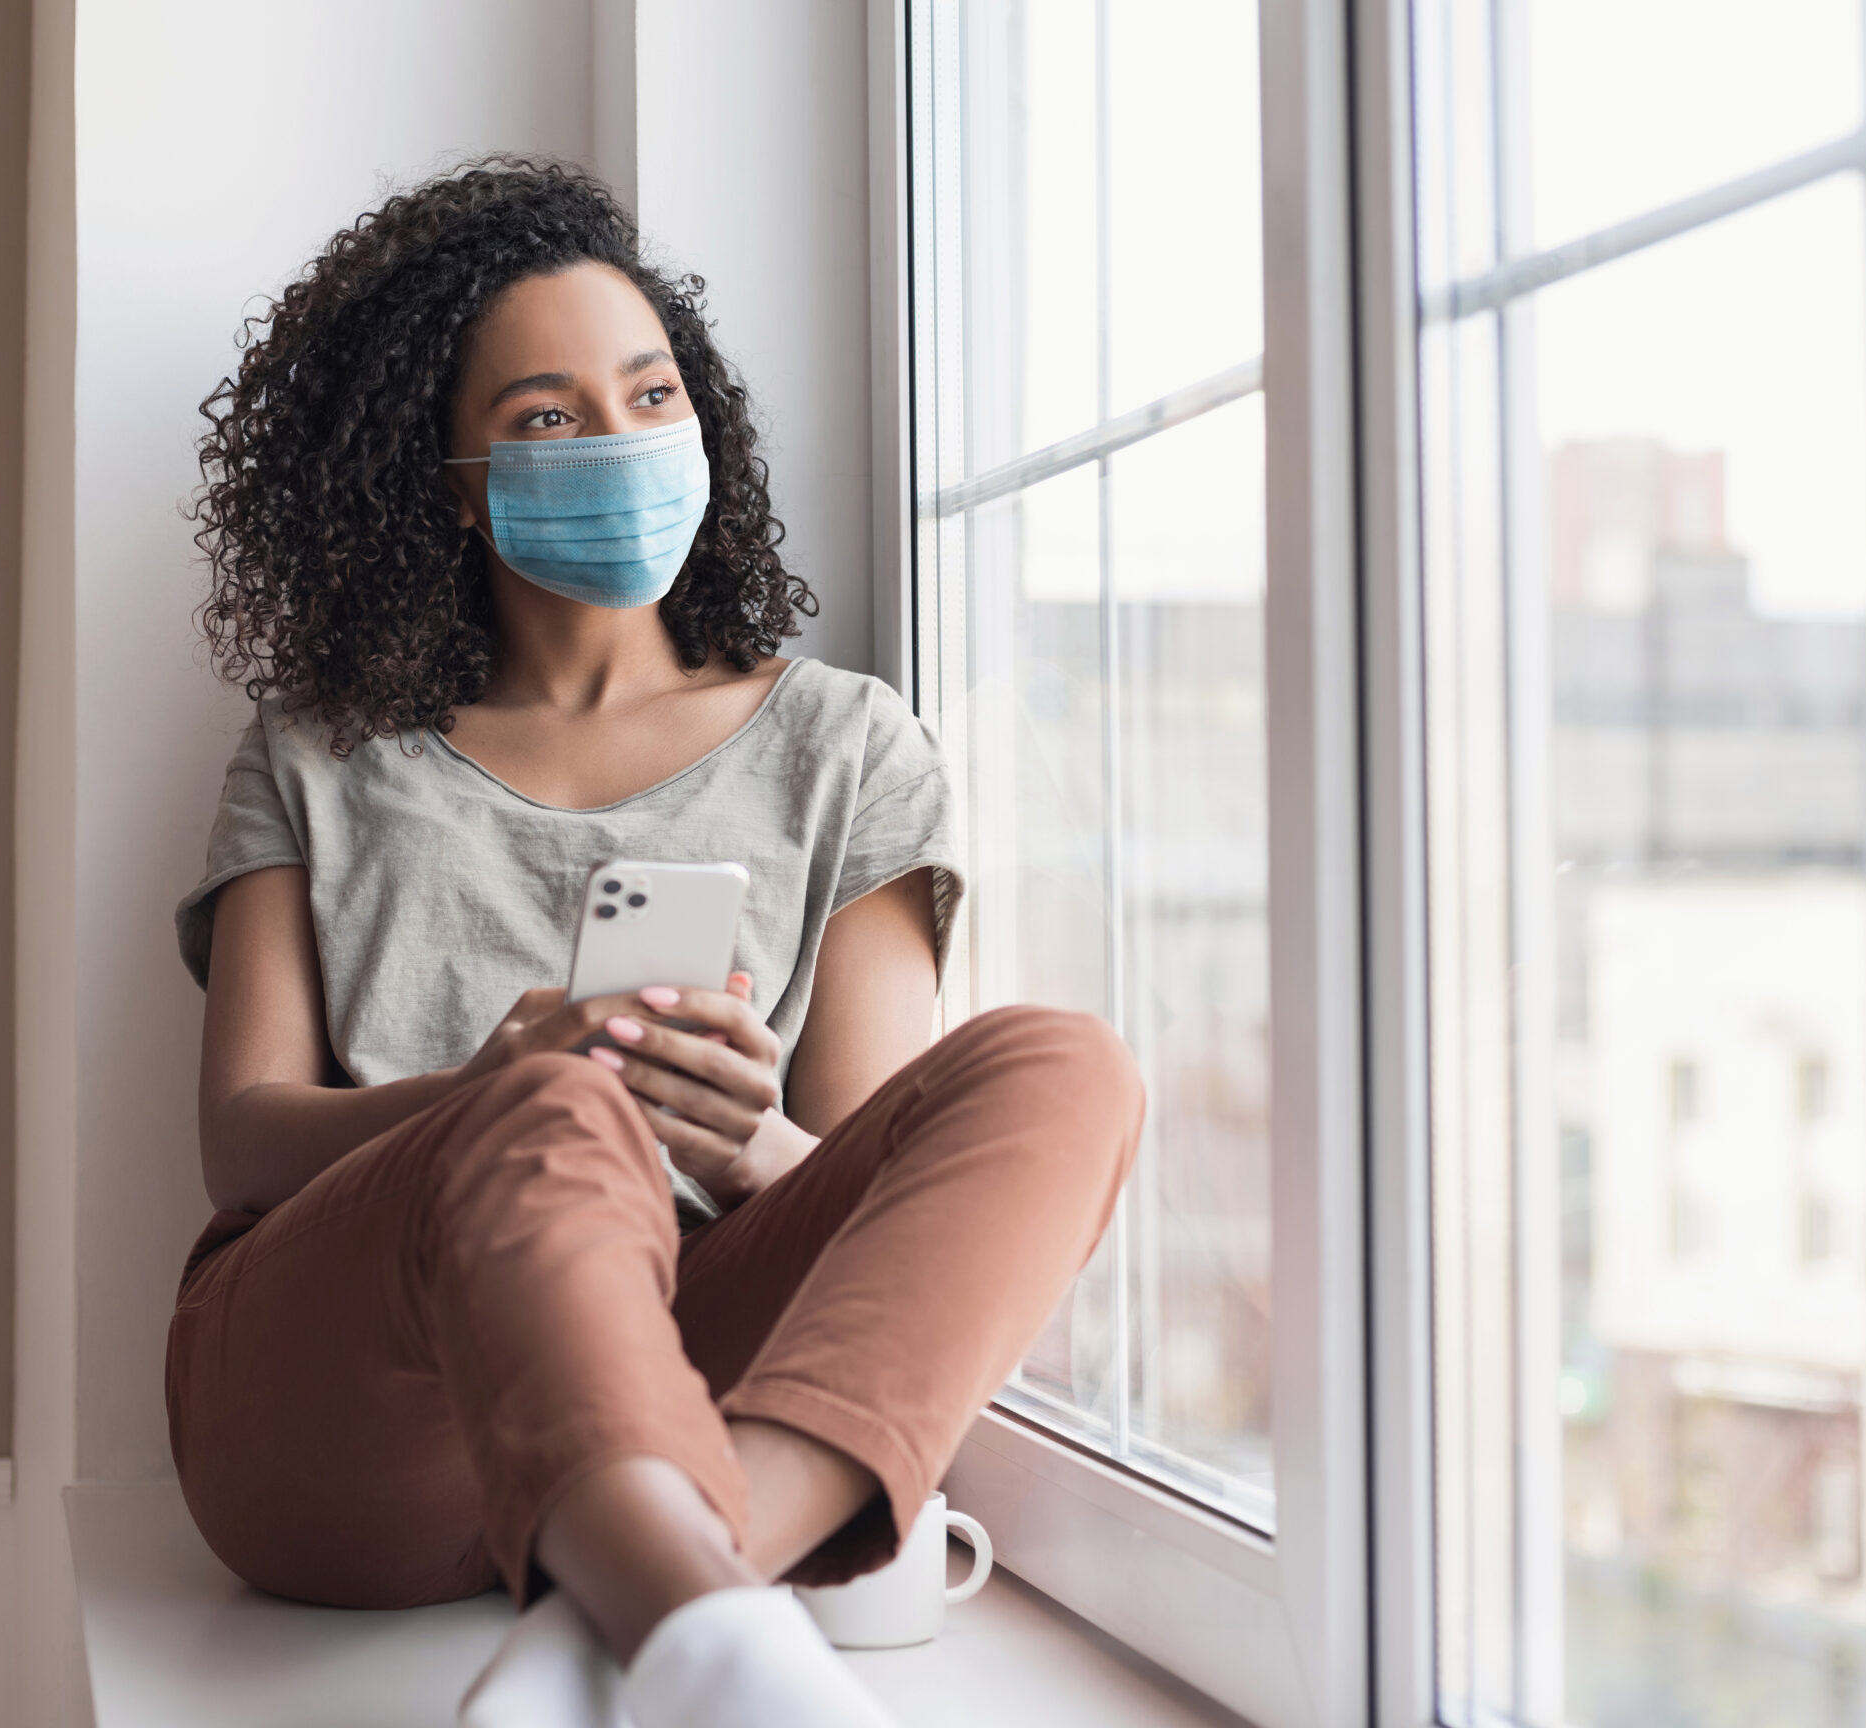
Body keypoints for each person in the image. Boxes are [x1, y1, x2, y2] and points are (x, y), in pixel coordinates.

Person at [165, 154, 1144, 1728]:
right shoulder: (317, 753)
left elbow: (859, 1172)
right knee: (555, 1108)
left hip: (680, 1371)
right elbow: (242, 1144)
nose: (619, 442)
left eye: (650, 394)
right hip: (347, 1401)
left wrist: (749, 1133)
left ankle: (646, 1602)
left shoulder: (848, 747)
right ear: (450, 478)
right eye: (548, 416)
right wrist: (482, 1089)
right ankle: (692, 1602)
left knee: (1064, 1065)